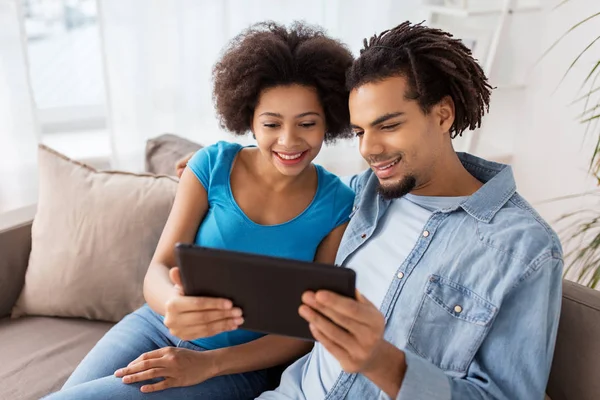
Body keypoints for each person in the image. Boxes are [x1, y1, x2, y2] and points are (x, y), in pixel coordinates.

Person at [45, 21, 355, 400]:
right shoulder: (211, 166)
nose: (289, 141)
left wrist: (207, 364)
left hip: (238, 365)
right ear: (250, 121)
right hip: (154, 325)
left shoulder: (338, 204)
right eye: (272, 123)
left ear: (329, 122)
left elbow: (306, 330)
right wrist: (174, 305)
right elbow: (158, 268)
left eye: (307, 124)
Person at [255, 21, 563, 400]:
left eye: (388, 126)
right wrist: (221, 169)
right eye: (360, 132)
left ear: (443, 115)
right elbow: (285, 180)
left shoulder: (523, 249)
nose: (369, 149)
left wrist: (382, 361)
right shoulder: (362, 192)